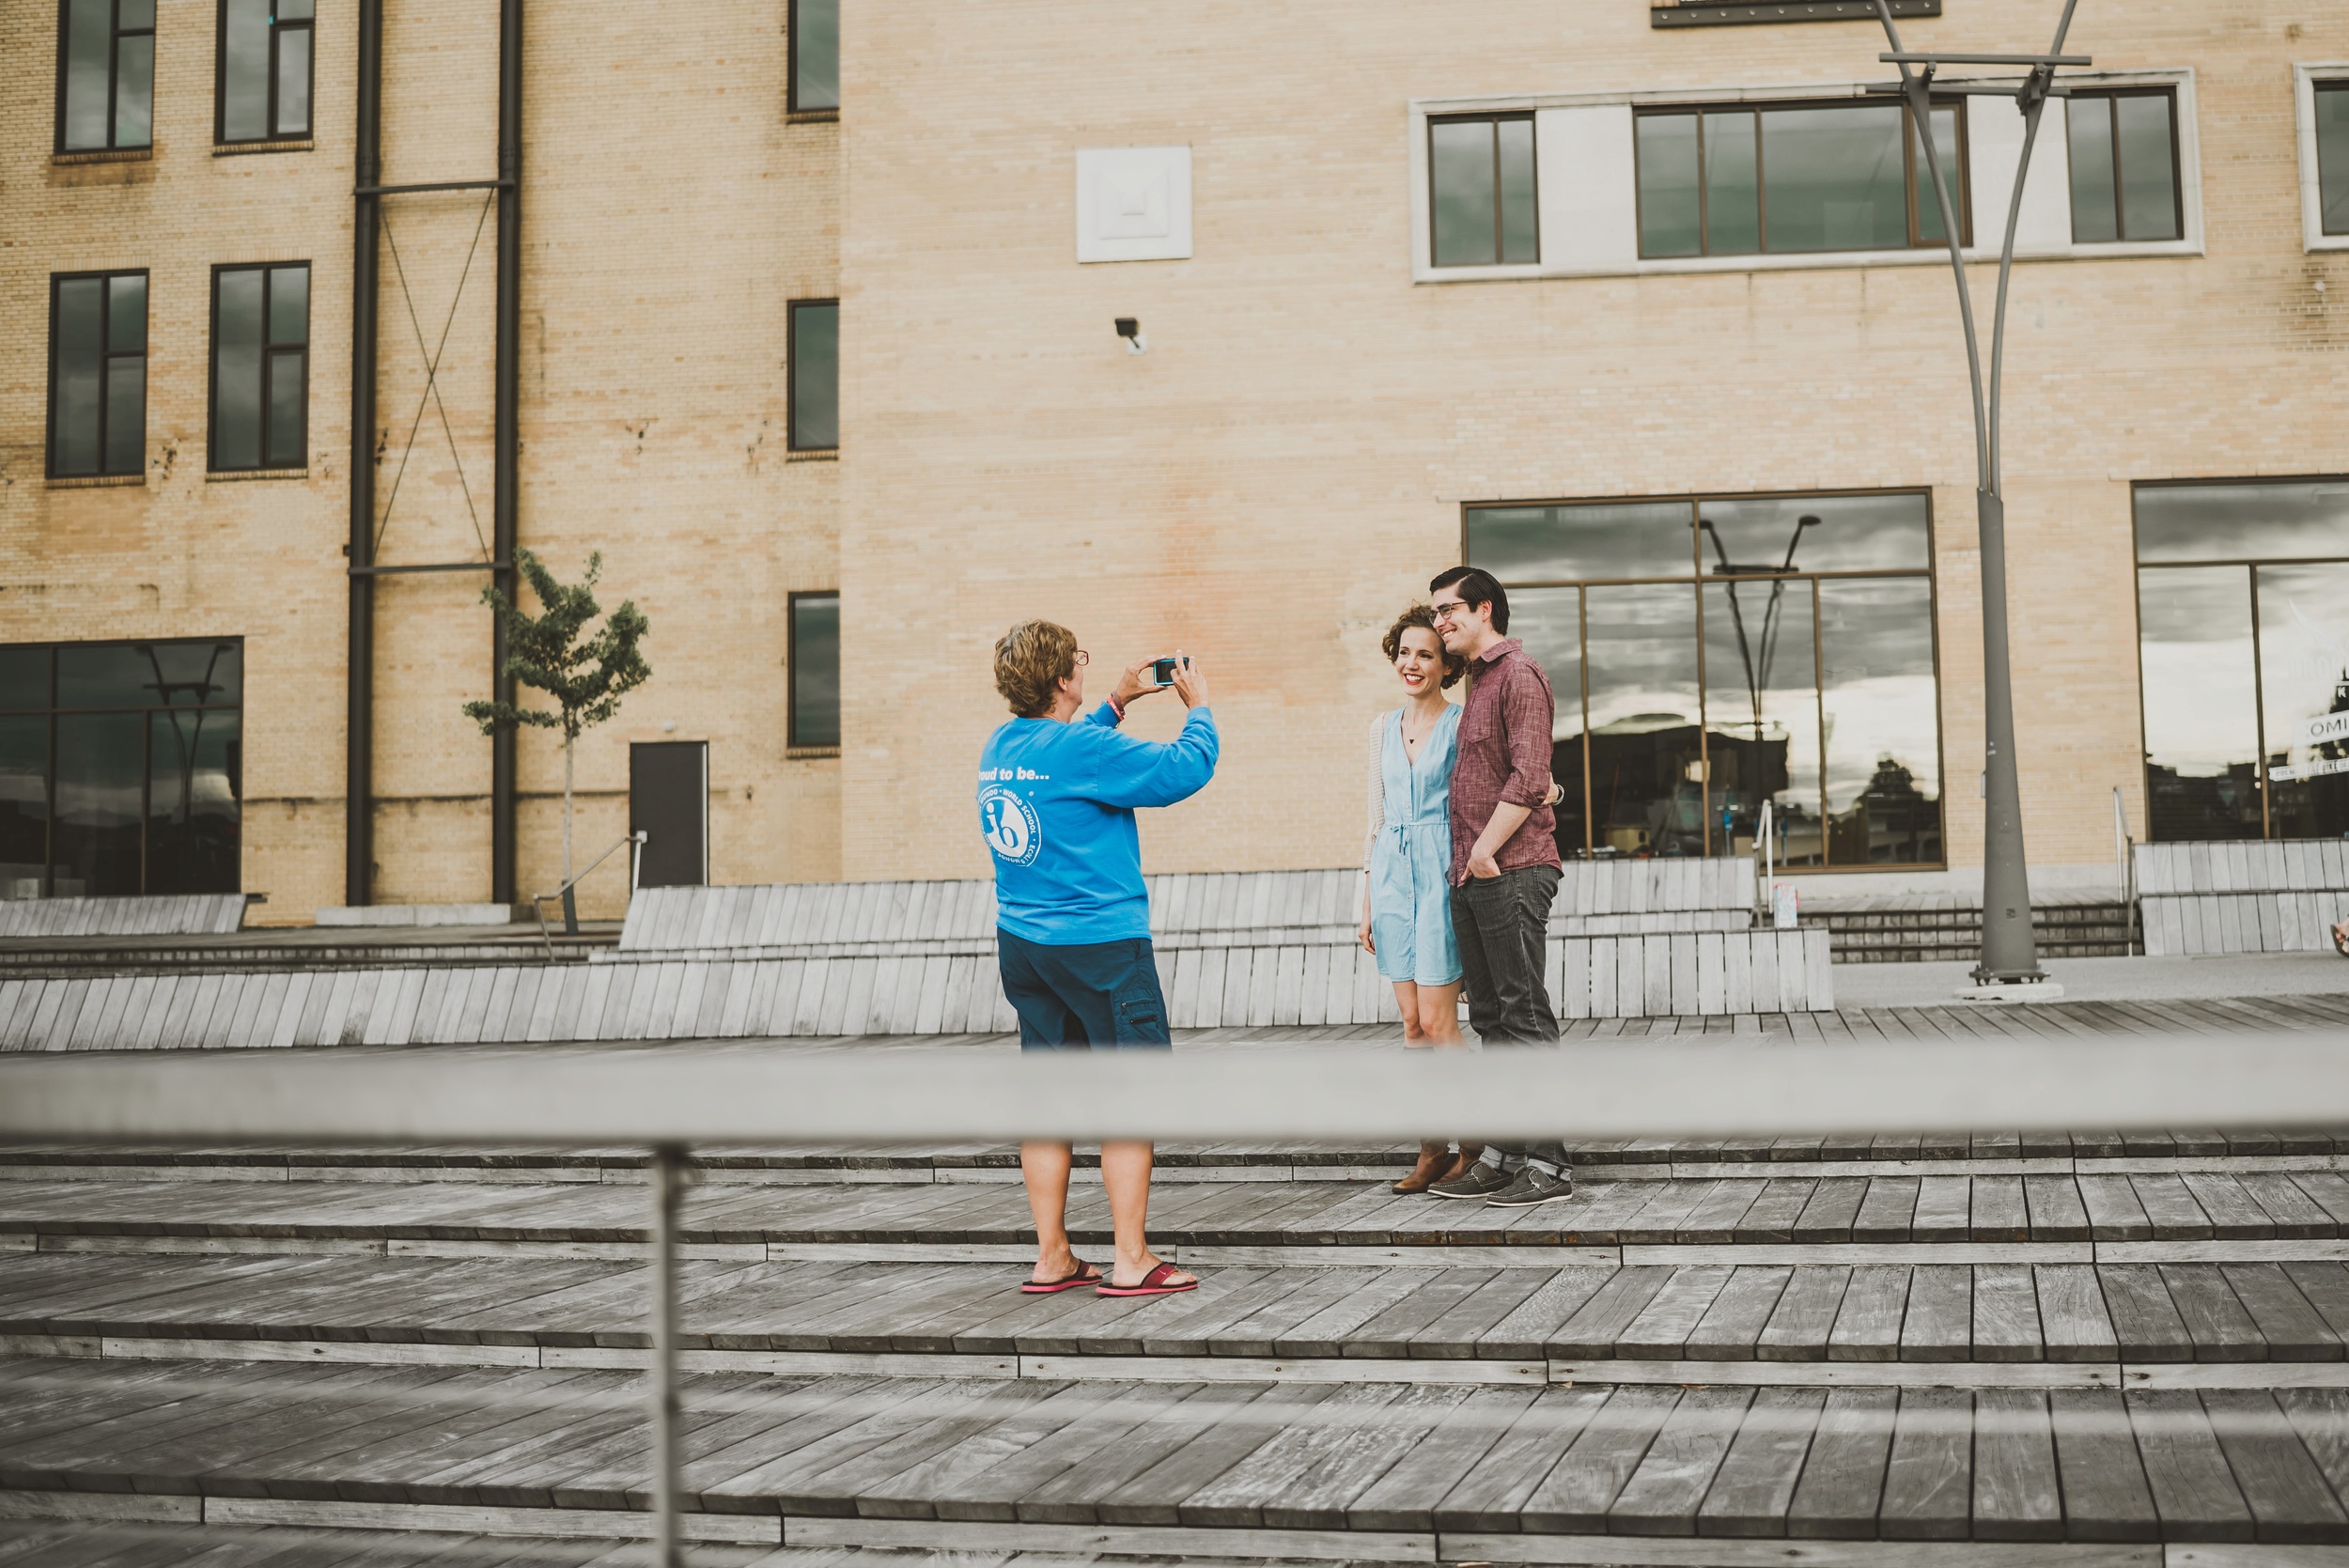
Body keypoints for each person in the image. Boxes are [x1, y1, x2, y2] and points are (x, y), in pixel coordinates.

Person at [979, 620, 1217, 1297]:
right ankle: (1132, 1258)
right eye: (1077, 661)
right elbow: (1181, 771)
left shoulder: (1000, 746)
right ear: (1061, 677)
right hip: (1101, 947)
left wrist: (1114, 701)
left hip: (1025, 947)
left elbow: (1068, 766)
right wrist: (1198, 707)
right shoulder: (1078, 747)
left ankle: (1053, 1255)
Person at [1422, 567, 1576, 1208]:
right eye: (1434, 613)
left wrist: (1485, 848)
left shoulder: (1518, 674)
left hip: (1511, 868)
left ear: (1485, 608)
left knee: (1524, 1012)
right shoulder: (1479, 684)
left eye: (1449, 609)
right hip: (1473, 872)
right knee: (1490, 1018)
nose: (1440, 622)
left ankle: (1550, 1161)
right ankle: (1508, 1151)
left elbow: (1531, 774)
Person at [1357, 604, 1481, 1193]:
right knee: (1410, 1025)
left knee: (1439, 1024)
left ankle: (1475, 1146)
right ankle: (1431, 1149)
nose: (1412, 663)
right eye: (1404, 652)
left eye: (1425, 654)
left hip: (1440, 875)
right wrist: (1366, 902)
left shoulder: (1461, 725)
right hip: (1390, 882)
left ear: (1445, 665)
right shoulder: (1380, 729)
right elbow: (1376, 820)